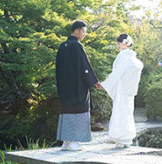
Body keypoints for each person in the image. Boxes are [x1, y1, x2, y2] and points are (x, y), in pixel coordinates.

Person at [55, 20, 103, 151]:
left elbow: (57, 69)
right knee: (78, 112)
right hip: (77, 88)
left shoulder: (62, 46)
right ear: (76, 31)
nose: (84, 34)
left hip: (65, 89)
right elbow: (84, 66)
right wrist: (94, 81)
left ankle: (66, 142)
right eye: (83, 31)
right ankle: (74, 141)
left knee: (67, 112)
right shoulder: (76, 46)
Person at [101, 33, 143, 148]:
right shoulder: (134, 58)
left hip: (122, 88)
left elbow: (117, 73)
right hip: (129, 89)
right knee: (128, 112)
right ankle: (127, 139)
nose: (118, 46)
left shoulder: (123, 56)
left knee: (120, 112)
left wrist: (105, 84)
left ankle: (120, 139)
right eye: (118, 44)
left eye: (119, 43)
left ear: (125, 43)